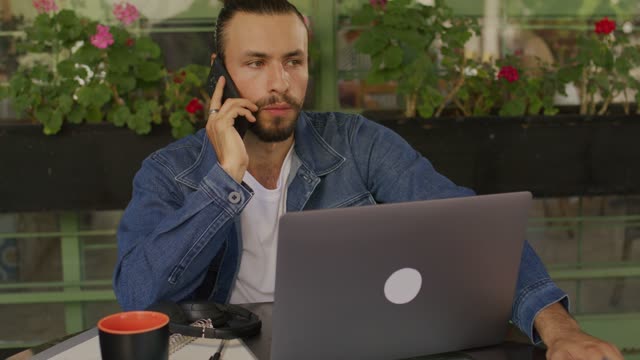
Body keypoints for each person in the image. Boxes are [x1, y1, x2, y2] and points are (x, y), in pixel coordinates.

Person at [113, 1, 623, 359]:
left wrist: (557, 329)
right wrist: (225, 180)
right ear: (217, 74)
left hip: (346, 347)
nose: (279, 84)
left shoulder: (358, 142)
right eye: (255, 64)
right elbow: (138, 296)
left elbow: (467, 227)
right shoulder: (167, 172)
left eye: (294, 62)